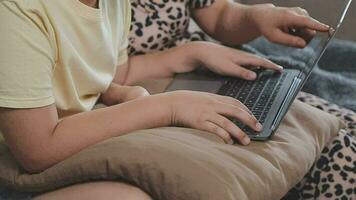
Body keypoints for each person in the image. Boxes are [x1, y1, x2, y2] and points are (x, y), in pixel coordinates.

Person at [0, 0, 343, 199]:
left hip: (75, 133)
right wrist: (166, 106)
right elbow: (36, 149)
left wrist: (187, 57)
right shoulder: (17, 11)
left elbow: (111, 75)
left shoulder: (113, 4)